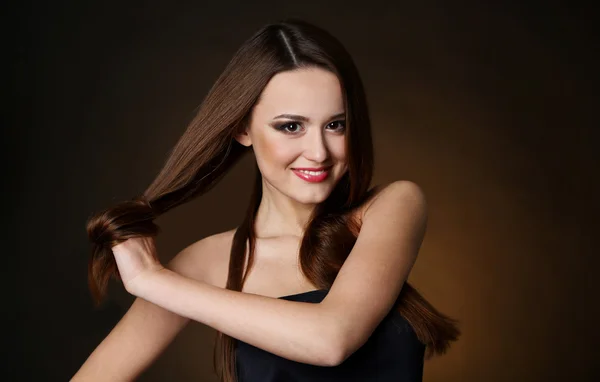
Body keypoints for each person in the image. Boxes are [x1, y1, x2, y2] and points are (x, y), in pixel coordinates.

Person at [72, 18, 460, 382]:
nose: (319, 152)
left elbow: (332, 339)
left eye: (335, 125)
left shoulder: (393, 207)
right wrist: (157, 282)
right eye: (291, 126)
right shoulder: (206, 264)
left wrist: (150, 280)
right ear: (243, 127)